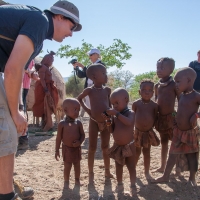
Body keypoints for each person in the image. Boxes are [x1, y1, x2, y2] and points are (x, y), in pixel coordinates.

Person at [0, 0, 82, 199]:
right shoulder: (40, 21)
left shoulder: (32, 19)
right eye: (71, 27)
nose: (71, 33)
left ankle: (6, 188)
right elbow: (13, 70)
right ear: (59, 17)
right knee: (7, 132)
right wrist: (16, 112)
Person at [152, 67, 200, 186]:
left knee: (192, 155)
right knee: (172, 153)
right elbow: (180, 110)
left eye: (178, 82)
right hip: (178, 131)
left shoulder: (196, 96)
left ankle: (192, 178)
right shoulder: (182, 95)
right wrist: (175, 119)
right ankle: (166, 176)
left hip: (190, 131)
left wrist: (197, 115)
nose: (176, 84)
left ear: (188, 81)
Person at [77, 63, 113, 184]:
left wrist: (111, 116)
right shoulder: (89, 90)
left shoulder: (107, 90)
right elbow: (79, 98)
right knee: (92, 148)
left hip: (106, 122)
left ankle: (107, 170)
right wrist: (88, 110)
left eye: (105, 72)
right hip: (93, 122)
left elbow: (110, 105)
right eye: (103, 73)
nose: (106, 75)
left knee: (105, 147)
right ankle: (90, 173)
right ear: (93, 76)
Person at [103, 88, 136, 196]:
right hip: (118, 146)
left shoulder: (130, 113)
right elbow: (111, 130)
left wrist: (116, 114)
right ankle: (120, 184)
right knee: (118, 166)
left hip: (129, 146)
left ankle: (132, 185)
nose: (115, 106)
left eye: (117, 103)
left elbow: (129, 122)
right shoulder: (115, 115)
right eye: (113, 104)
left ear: (126, 100)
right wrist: (108, 120)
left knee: (131, 166)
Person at [154, 57, 179, 173]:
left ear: (171, 70)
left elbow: (181, 101)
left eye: (162, 68)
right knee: (163, 142)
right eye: (158, 67)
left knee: (176, 143)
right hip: (161, 119)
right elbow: (155, 102)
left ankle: (178, 167)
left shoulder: (174, 85)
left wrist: (177, 116)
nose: (159, 70)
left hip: (172, 118)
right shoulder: (156, 86)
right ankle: (162, 166)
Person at [132, 80, 160, 181]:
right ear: (139, 92)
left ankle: (147, 172)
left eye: (149, 90)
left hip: (148, 132)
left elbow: (156, 118)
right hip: (137, 132)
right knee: (136, 152)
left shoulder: (154, 106)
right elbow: (132, 117)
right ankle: (133, 170)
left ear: (153, 93)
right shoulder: (136, 104)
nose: (147, 92)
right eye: (144, 90)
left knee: (147, 153)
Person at [55, 98, 85, 189]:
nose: (77, 112)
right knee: (67, 166)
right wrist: (57, 150)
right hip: (67, 148)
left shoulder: (78, 123)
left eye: (78, 110)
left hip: (76, 148)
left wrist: (79, 141)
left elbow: (83, 135)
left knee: (77, 165)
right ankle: (66, 182)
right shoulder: (62, 124)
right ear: (65, 110)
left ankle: (77, 180)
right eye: (75, 109)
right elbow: (58, 138)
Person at [73, 48, 105, 117]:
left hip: (97, 90)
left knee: (97, 106)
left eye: (91, 55)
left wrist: (83, 67)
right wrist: (76, 68)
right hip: (89, 89)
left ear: (96, 55)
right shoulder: (90, 66)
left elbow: (93, 74)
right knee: (90, 107)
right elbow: (81, 75)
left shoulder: (101, 65)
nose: (89, 57)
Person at [32, 51, 59, 131]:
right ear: (47, 60)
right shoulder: (43, 67)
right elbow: (42, 80)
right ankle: (46, 125)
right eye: (51, 60)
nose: (52, 62)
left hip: (48, 87)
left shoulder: (45, 67)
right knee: (45, 106)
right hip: (44, 88)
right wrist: (46, 90)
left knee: (48, 105)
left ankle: (47, 124)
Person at [18, 60, 39, 150]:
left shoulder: (30, 54)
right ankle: (22, 139)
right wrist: (29, 71)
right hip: (19, 84)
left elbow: (31, 65)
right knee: (21, 110)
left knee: (21, 110)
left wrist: (31, 71)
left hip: (22, 85)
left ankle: (23, 140)